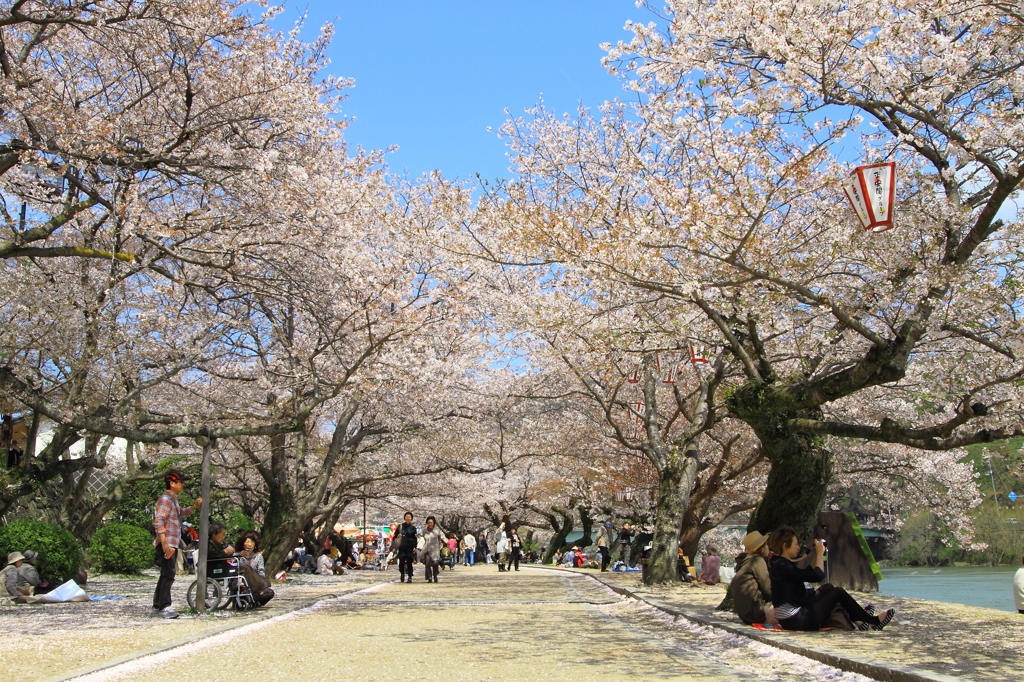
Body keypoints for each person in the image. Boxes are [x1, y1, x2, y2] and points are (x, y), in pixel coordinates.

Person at [769, 526, 894, 632]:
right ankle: (873, 621)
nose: (798, 547)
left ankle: (860, 619)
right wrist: (818, 553)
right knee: (837, 592)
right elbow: (818, 576)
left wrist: (816, 555)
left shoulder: (779, 563)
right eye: (795, 544)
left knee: (828, 588)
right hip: (797, 620)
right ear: (785, 546)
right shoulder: (782, 565)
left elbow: (806, 573)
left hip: (793, 616)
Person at [152, 470, 201, 619]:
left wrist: (194, 507)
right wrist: (164, 540)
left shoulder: (173, 499)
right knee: (169, 575)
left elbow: (180, 514)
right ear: (172, 483)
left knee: (165, 574)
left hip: (172, 541)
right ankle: (164, 607)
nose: (183, 484)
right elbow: (159, 519)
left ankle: (157, 605)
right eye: (180, 482)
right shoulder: (165, 499)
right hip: (167, 542)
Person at [731, 531, 777, 625]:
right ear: (762, 548)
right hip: (756, 612)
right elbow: (769, 590)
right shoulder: (757, 561)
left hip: (745, 613)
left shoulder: (744, 563)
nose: (768, 548)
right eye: (766, 545)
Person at [419, 516, 445, 583]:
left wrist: (441, 545)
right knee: (427, 563)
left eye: (431, 522)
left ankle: (435, 575)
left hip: (435, 548)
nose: (430, 524)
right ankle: (429, 577)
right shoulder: (424, 531)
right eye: (428, 522)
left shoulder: (437, 530)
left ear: (434, 523)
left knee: (435, 563)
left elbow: (440, 538)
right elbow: (422, 539)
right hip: (427, 548)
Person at [396, 512, 418, 582]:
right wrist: (398, 535)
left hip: (410, 546)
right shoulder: (400, 526)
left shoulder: (413, 528)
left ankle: (409, 576)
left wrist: (415, 546)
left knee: (409, 562)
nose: (408, 518)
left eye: (409, 517)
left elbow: (415, 538)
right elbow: (395, 535)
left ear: (411, 518)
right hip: (402, 546)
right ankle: (402, 573)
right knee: (401, 561)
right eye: (406, 517)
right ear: (404, 518)